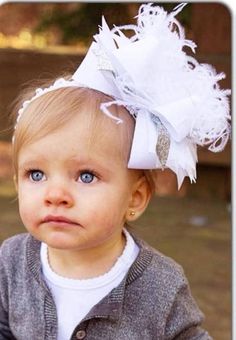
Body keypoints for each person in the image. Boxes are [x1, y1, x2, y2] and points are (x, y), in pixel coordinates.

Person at [0, 3, 230, 340]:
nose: (55, 195)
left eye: (86, 176)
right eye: (36, 174)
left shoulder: (160, 285)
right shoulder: (12, 262)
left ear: (135, 197)